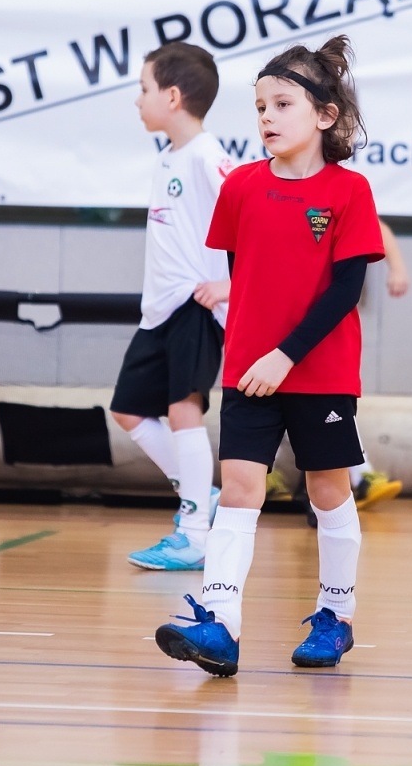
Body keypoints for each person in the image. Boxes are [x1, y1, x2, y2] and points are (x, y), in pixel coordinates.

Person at [154, 35, 383, 677]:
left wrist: (287, 354)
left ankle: (335, 616)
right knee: (241, 488)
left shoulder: (349, 192)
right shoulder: (242, 189)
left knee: (328, 488)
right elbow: (246, 273)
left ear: (325, 116)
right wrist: (258, 352)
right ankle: (221, 624)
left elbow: (345, 291)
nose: (266, 119)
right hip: (250, 370)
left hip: (321, 372)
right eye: (259, 107)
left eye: (282, 104)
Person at [108, 43, 232, 570]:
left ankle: (196, 535)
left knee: (184, 409)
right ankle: (197, 492)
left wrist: (229, 287)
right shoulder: (168, 155)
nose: (138, 101)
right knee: (128, 409)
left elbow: (258, 227)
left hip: (193, 305)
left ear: (173, 96)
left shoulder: (209, 157)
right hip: (157, 310)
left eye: (144, 89)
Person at [277, 218, 407, 524]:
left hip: (319, 320)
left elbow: (378, 227)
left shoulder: (342, 191)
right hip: (280, 316)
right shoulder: (266, 189)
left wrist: (398, 268)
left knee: (327, 398)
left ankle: (359, 475)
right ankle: (357, 475)